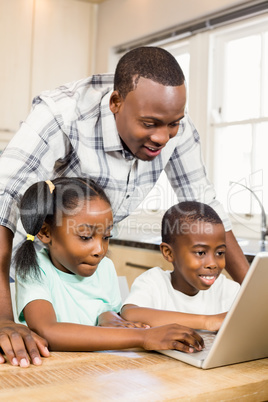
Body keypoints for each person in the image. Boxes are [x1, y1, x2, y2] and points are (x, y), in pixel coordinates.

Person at [0, 46, 248, 366]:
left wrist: (253, 301)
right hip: (14, 278)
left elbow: (208, 206)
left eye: (172, 124)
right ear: (115, 103)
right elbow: (3, 200)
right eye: (149, 123)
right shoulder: (62, 114)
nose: (163, 137)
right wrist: (5, 318)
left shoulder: (101, 266)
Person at [13, 178, 204, 366]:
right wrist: (143, 337)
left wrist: (109, 317)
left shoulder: (105, 267)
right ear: (46, 233)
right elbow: (48, 331)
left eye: (106, 237)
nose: (100, 250)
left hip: (97, 371)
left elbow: (103, 307)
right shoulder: (34, 269)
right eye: (86, 237)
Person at [121, 201, 240, 330]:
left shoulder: (227, 289)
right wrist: (207, 322)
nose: (212, 264)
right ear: (169, 253)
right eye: (200, 253)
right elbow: (129, 313)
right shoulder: (154, 282)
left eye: (220, 253)